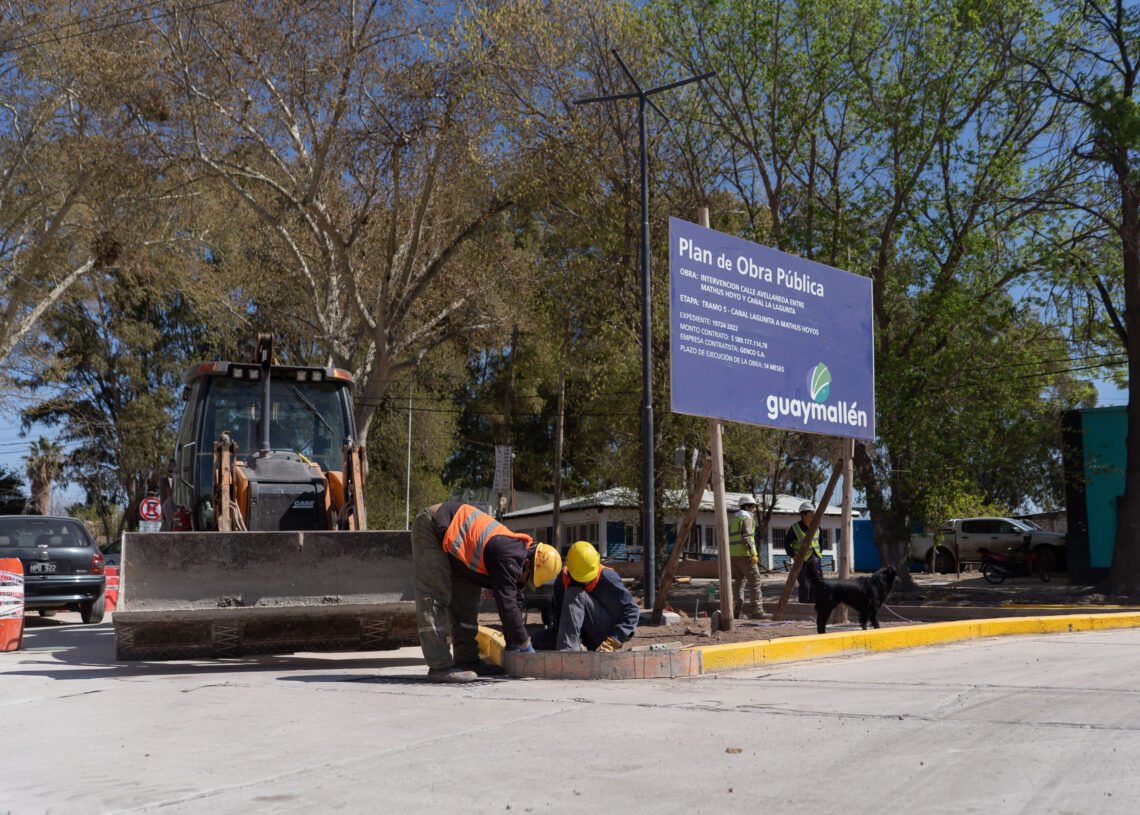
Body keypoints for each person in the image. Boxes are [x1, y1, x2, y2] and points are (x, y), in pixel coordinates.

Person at [411, 502, 562, 683]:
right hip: (433, 527)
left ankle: (467, 660)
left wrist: (513, 643)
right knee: (434, 596)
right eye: (528, 579)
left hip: (458, 548)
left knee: (467, 603)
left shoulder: (516, 556)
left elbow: (516, 599)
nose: (524, 584)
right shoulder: (506, 553)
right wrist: (525, 644)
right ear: (528, 564)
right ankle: (439, 666)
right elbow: (506, 603)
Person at [532, 541, 640, 652]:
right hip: (577, 634)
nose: (585, 582)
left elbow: (632, 609)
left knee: (574, 594)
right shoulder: (563, 578)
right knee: (536, 640)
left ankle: (569, 655)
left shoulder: (607, 577)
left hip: (604, 635)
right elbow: (558, 615)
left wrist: (615, 639)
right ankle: (573, 646)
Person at [728, 497, 769, 619]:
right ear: (746, 507)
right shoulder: (747, 518)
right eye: (753, 506)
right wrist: (753, 553)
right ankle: (757, 611)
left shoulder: (735, 519)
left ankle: (736, 611)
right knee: (755, 581)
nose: (755, 509)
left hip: (733, 556)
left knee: (739, 583)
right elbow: (748, 537)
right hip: (745, 555)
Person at [784, 501, 823, 603]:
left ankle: (814, 605)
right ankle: (804, 604)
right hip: (802, 560)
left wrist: (819, 553)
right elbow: (787, 543)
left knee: (817, 583)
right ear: (804, 514)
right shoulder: (795, 528)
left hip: (815, 559)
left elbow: (821, 541)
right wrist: (793, 555)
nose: (813, 515)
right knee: (805, 584)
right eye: (811, 513)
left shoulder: (817, 527)